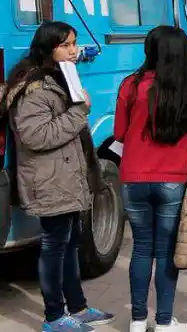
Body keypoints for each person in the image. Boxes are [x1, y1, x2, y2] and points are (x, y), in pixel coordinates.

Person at [0, 21, 115, 332]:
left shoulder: (59, 77)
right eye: (66, 45)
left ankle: (76, 307)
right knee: (54, 245)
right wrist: (80, 112)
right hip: (48, 179)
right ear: (49, 48)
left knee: (69, 242)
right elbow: (37, 136)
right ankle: (54, 316)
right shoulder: (34, 87)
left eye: (74, 43)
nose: (73, 50)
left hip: (65, 177)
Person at [116, 26, 187, 332]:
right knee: (167, 251)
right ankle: (165, 321)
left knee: (141, 249)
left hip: (134, 177)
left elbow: (118, 134)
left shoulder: (131, 85)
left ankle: (138, 321)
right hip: (173, 179)